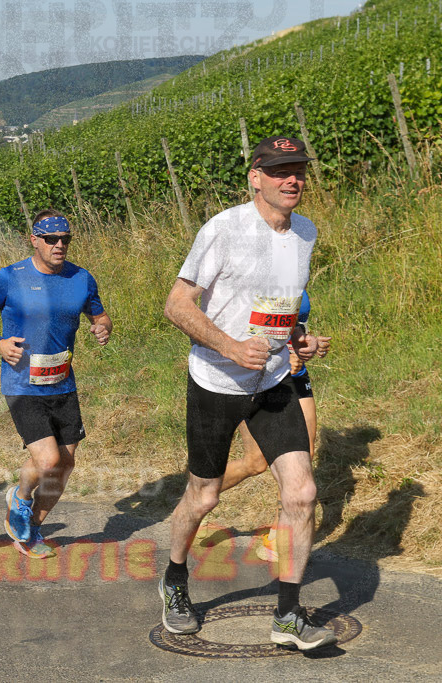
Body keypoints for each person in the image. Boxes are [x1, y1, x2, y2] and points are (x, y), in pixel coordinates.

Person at [159, 136, 335, 650]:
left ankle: (288, 616)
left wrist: (297, 338)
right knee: (204, 494)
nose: (292, 179)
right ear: (254, 177)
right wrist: (232, 347)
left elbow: (275, 308)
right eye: (279, 170)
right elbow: (177, 305)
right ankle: (173, 579)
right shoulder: (224, 229)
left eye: (298, 169)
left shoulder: (305, 232)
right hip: (216, 383)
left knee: (301, 492)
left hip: (275, 379)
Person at [0, 210, 112, 559]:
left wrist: (103, 327)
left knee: (67, 462)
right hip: (21, 382)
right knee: (47, 460)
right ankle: (20, 498)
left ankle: (31, 529)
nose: (59, 245)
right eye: (51, 239)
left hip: (62, 382)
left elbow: (100, 315)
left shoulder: (82, 279)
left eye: (65, 239)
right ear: (34, 240)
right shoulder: (8, 278)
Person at [217, 290, 331, 561]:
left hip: (295, 375)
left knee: (304, 455)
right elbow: (238, 329)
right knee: (255, 462)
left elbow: (294, 325)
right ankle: (197, 495)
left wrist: (306, 342)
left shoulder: (297, 272)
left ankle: (278, 539)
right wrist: (278, 355)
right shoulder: (253, 275)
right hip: (259, 378)